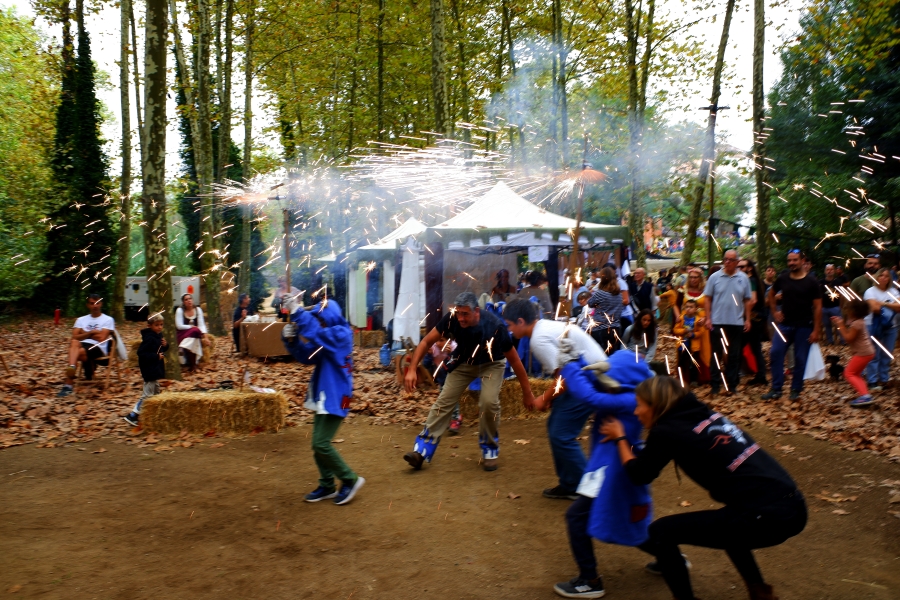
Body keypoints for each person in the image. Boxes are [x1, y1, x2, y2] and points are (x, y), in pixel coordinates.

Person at [600, 376, 807, 600]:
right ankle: (759, 591)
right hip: (793, 505)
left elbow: (640, 474)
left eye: (639, 405)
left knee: (661, 533)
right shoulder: (702, 413)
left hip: (766, 517)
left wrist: (620, 438)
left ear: (656, 405)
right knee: (730, 526)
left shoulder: (668, 430)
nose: (636, 412)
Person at [552, 351, 655, 599]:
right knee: (631, 522)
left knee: (576, 517)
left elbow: (589, 395)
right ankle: (670, 557)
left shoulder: (630, 399)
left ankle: (590, 580)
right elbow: (596, 379)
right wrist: (579, 360)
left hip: (614, 471)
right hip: (608, 468)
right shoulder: (625, 394)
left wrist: (569, 366)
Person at [402, 292, 536, 471]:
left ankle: (489, 449)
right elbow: (426, 341)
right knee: (444, 400)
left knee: (488, 402)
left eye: (465, 314)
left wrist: (527, 393)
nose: (460, 318)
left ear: (477, 312)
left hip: (492, 364)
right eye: (458, 313)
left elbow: (515, 361)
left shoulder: (496, 327)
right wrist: (411, 370)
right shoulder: (451, 319)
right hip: (464, 361)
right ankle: (422, 450)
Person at [503, 298, 608, 500]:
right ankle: (570, 484)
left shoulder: (538, 339)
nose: (509, 330)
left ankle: (590, 490)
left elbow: (566, 376)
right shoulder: (544, 327)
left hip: (590, 379)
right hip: (587, 375)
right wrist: (552, 395)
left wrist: (544, 397)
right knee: (555, 427)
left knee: (561, 434)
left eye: (509, 325)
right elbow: (564, 372)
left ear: (521, 321)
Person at [281, 299, 365, 505]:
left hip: (340, 398)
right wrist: (291, 342)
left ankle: (350, 479)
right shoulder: (326, 339)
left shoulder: (341, 335)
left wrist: (299, 314)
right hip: (328, 396)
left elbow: (316, 333)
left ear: (330, 317)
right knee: (318, 444)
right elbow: (307, 356)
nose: (319, 323)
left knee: (320, 443)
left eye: (321, 319)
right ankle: (327, 484)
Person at [763, 250, 822, 401]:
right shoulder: (783, 278)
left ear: (802, 261)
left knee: (800, 358)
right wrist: (775, 311)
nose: (791, 263)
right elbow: (771, 294)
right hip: (785, 324)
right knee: (776, 353)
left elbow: (817, 307)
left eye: (795, 260)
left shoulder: (812, 282)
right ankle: (776, 389)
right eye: (789, 260)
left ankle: (796, 389)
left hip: (804, 326)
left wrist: (816, 330)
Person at [703, 250, 752, 396]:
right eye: (725, 259)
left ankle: (732, 384)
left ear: (737, 262)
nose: (727, 262)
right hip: (717, 322)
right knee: (716, 354)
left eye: (731, 260)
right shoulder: (714, 277)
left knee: (734, 355)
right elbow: (707, 298)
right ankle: (715, 384)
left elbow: (747, 300)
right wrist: (708, 318)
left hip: (736, 322)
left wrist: (747, 319)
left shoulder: (743, 278)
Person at [59, 294, 117, 397]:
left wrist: (83, 333)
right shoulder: (81, 320)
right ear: (88, 305)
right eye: (92, 303)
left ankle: (68, 384)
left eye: (97, 303)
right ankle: (72, 367)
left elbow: (102, 338)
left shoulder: (108, 319)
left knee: (76, 352)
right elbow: (75, 337)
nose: (95, 306)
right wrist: (90, 333)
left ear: (101, 304)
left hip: (98, 347)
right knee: (74, 343)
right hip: (82, 345)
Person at [830, 299, 876, 407]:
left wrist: (840, 325)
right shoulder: (858, 322)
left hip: (863, 353)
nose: (846, 311)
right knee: (856, 374)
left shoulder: (856, 324)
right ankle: (865, 395)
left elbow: (848, 338)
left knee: (848, 373)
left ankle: (865, 396)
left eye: (848, 309)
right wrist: (841, 323)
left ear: (853, 311)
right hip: (867, 352)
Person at [123, 314, 167, 426]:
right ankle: (133, 415)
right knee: (147, 394)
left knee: (156, 391)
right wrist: (156, 357)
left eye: (161, 325)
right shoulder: (149, 338)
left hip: (155, 369)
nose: (159, 327)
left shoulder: (158, 336)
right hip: (149, 369)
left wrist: (166, 346)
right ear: (149, 326)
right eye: (156, 325)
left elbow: (160, 348)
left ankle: (155, 413)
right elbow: (141, 353)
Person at [863, 267, 900, 391]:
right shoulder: (870, 291)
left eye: (886, 276)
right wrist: (891, 305)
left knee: (887, 353)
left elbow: (899, 307)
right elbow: (874, 308)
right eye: (881, 275)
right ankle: (872, 380)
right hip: (873, 325)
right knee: (874, 354)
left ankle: (884, 378)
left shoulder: (893, 291)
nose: (883, 278)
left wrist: (883, 303)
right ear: (876, 277)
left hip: (892, 326)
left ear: (889, 278)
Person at [738, 259, 768, 387]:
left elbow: (753, 300)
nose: (739, 268)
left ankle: (736, 375)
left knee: (740, 347)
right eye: (738, 266)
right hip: (754, 319)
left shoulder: (750, 280)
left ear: (749, 268)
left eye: (742, 266)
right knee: (755, 348)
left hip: (752, 320)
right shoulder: (752, 280)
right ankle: (760, 375)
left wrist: (745, 314)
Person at [587, 267, 624, 355]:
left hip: (600, 330)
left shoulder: (600, 293)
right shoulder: (619, 295)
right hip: (615, 329)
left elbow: (590, 303)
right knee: (612, 357)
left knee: (600, 358)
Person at [673, 300, 707, 386]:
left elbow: (701, 331)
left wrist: (693, 334)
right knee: (682, 362)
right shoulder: (681, 318)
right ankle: (682, 379)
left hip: (694, 346)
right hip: (682, 345)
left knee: (693, 363)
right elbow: (675, 330)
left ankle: (693, 380)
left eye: (691, 307)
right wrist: (684, 331)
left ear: (696, 309)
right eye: (687, 307)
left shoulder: (698, 320)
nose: (688, 309)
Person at [174, 293, 209, 372]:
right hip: (182, 334)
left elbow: (202, 325)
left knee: (195, 334)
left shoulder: (198, 310)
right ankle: (194, 365)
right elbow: (179, 326)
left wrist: (206, 338)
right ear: (183, 302)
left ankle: (184, 350)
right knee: (195, 332)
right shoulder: (180, 310)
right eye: (186, 300)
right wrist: (191, 327)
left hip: (195, 334)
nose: (189, 301)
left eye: (190, 299)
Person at [819, 264, 845, 346]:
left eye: (831, 269)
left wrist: (841, 306)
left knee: (839, 325)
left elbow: (842, 294)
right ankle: (830, 341)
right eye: (828, 269)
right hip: (824, 307)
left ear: (834, 271)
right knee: (827, 325)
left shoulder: (838, 282)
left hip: (835, 307)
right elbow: (818, 295)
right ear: (825, 271)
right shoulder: (821, 282)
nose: (829, 271)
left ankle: (843, 340)